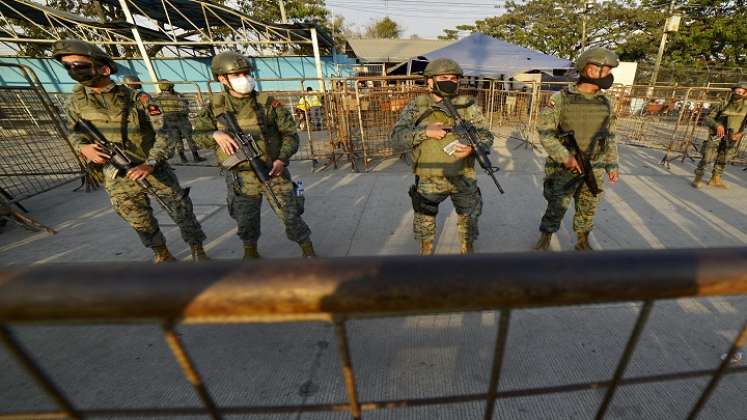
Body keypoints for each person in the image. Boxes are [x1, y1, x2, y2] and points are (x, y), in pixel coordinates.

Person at [53, 39, 209, 262]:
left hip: (153, 168)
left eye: (80, 65)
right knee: (138, 218)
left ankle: (197, 249)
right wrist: (83, 147)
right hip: (117, 174)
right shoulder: (74, 104)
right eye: (68, 66)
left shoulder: (138, 99)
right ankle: (161, 253)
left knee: (181, 210)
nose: (73, 70)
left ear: (104, 68)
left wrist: (151, 162)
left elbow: (165, 134)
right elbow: (74, 132)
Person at [192, 51, 315, 259]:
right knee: (245, 219)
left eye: (246, 73)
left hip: (272, 170)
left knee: (291, 214)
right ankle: (250, 254)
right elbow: (197, 135)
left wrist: (281, 159)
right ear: (222, 79)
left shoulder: (267, 103)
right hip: (240, 176)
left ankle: (308, 251)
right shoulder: (214, 106)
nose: (244, 79)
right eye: (237, 75)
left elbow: (290, 135)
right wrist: (215, 134)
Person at [391, 58, 494, 255]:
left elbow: (486, 136)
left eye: (454, 78)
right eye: (444, 77)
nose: (451, 81)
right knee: (425, 223)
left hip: (464, 175)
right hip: (430, 177)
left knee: (469, 220)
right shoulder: (417, 107)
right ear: (430, 81)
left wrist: (473, 148)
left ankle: (467, 252)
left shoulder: (467, 106)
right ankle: (426, 255)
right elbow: (396, 140)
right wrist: (425, 132)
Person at [533, 47, 620, 251]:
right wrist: (565, 157)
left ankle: (582, 240)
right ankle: (545, 238)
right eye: (605, 70)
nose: (609, 75)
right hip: (566, 165)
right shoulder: (561, 98)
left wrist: (612, 164)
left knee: (589, 206)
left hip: (595, 165)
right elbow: (545, 132)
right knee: (557, 205)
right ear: (590, 70)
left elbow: (611, 135)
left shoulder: (607, 101)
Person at [692, 81, 747, 189]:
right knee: (708, 156)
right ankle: (697, 177)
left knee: (724, 157)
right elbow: (707, 118)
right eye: (735, 91)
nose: (737, 93)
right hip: (717, 134)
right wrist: (717, 125)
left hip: (732, 136)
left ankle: (715, 179)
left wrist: (741, 134)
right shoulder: (724, 103)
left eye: (740, 92)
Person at [154, 79, 206, 163]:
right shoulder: (177, 96)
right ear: (170, 87)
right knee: (189, 138)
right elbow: (185, 104)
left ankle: (183, 158)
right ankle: (196, 157)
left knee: (177, 139)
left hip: (168, 120)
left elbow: (156, 109)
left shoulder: (157, 98)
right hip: (181, 119)